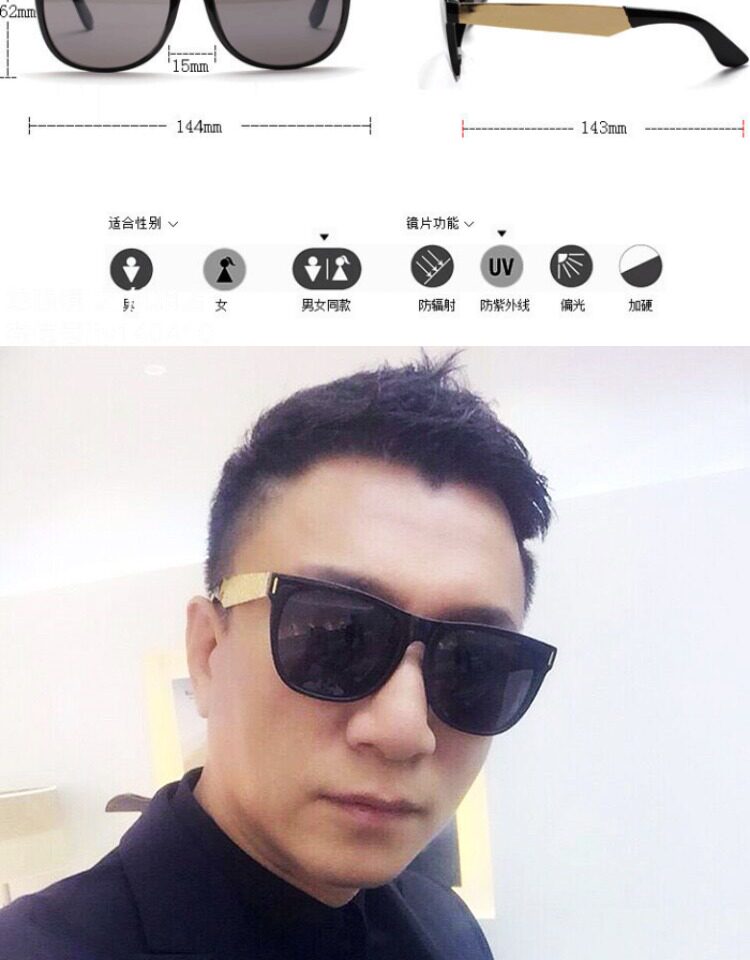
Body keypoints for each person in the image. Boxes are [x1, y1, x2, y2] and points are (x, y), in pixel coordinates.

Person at [0, 354, 555, 960]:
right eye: (338, 636)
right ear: (208, 652)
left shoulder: (446, 926)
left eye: (474, 664)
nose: (403, 731)